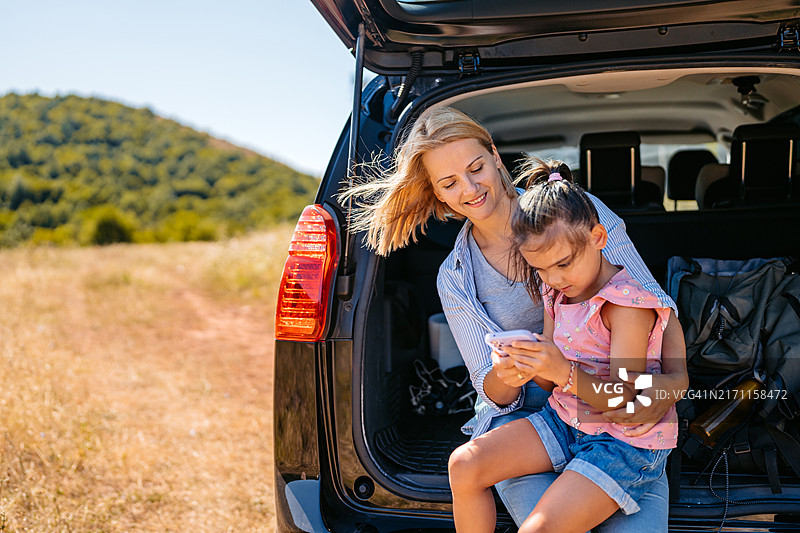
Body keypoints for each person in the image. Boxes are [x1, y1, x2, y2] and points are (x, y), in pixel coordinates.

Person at [341, 106, 687, 532]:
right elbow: (497, 388)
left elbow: (650, 307)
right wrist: (513, 371)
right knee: (480, 474)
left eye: (476, 168)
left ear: (495, 154)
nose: (469, 189)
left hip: (616, 408)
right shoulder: (455, 276)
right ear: (437, 194)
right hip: (537, 411)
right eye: (449, 183)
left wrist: (674, 382)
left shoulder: (573, 215)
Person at [447, 159, 678, 533]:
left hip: (622, 441)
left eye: (563, 264)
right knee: (464, 465)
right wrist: (527, 364)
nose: (553, 279)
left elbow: (626, 403)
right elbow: (551, 384)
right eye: (540, 270)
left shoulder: (625, 307)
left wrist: (563, 373)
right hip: (566, 419)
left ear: (598, 238)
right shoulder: (556, 291)